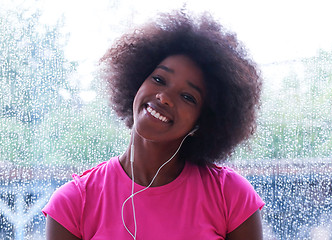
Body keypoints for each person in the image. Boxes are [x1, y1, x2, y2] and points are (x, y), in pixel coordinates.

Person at [43, 10, 264, 240]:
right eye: (158, 79)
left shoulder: (230, 196)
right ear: (136, 83)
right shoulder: (73, 204)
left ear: (202, 122)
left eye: (188, 97)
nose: (164, 97)